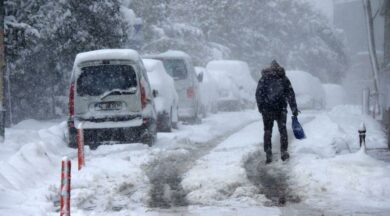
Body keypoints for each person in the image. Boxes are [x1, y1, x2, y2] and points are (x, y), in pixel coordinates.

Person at [255, 60, 298, 164]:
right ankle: (283, 151)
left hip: (267, 109)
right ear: (279, 67)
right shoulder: (283, 78)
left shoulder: (264, 78)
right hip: (281, 109)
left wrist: (261, 107)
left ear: (270, 67)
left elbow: (258, 94)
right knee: (282, 130)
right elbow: (290, 94)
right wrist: (294, 108)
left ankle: (268, 151)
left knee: (267, 130)